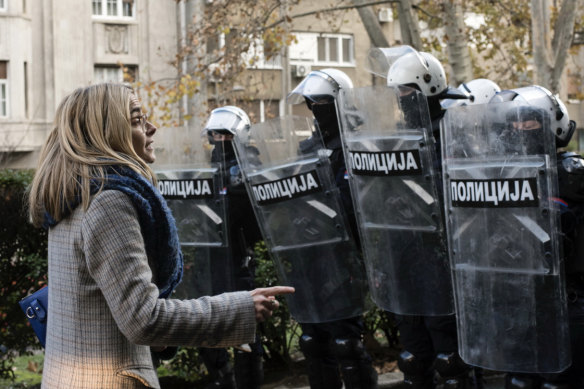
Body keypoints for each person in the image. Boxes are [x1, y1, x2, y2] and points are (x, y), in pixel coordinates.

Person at [27, 83, 294, 389]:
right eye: (137, 119)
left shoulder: (74, 195)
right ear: (107, 133)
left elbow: (101, 301)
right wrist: (239, 309)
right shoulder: (108, 201)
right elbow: (144, 318)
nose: (152, 127)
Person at [382, 49, 478, 388]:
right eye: (397, 93)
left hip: (443, 259)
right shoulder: (399, 138)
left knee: (450, 359)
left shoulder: (453, 132)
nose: (401, 100)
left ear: (428, 87)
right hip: (405, 259)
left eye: (406, 91)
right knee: (412, 356)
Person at [287, 68, 378, 389]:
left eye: (322, 101)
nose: (315, 108)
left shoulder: (357, 144)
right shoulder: (308, 147)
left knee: (346, 343)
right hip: (309, 255)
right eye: (311, 102)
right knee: (313, 340)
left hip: (343, 255)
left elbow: (355, 202)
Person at [490, 87, 582, 389]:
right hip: (519, 300)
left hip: (567, 299)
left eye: (529, 123)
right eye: (513, 124)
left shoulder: (571, 176)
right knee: (518, 380)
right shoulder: (503, 176)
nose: (520, 130)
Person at [198, 106, 265, 389]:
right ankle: (223, 379)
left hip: (238, 260)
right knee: (205, 330)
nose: (218, 139)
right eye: (214, 133)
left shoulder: (251, 166)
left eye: (225, 134)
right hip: (208, 260)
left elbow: (254, 221)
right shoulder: (206, 169)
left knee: (245, 335)